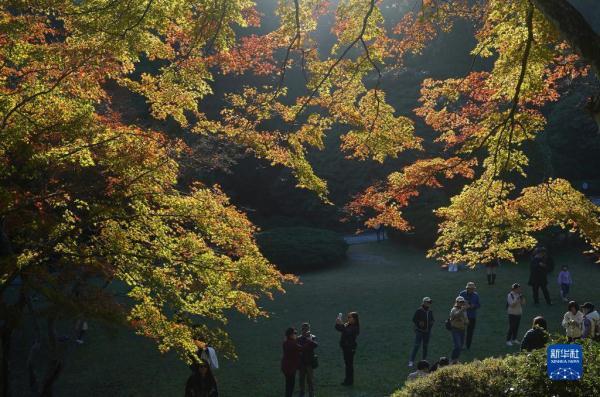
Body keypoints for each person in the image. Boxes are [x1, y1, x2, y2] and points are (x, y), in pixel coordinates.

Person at [335, 311, 360, 386]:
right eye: (348, 317)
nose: (348, 318)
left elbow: (347, 332)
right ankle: (348, 380)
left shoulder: (355, 327)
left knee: (349, 365)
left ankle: (349, 381)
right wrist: (337, 323)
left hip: (350, 348)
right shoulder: (348, 324)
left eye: (349, 317)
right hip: (346, 347)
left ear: (354, 319)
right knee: (348, 365)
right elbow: (339, 328)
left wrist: (341, 324)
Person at [408, 297, 434, 367]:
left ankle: (424, 361)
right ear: (424, 302)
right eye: (427, 302)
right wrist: (419, 322)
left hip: (427, 332)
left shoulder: (430, 311)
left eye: (429, 302)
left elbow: (432, 319)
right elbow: (414, 319)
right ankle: (411, 361)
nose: (429, 304)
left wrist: (431, 323)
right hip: (419, 331)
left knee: (425, 346)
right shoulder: (419, 310)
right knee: (416, 345)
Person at [297, 323, 318, 397]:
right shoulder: (299, 338)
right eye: (304, 329)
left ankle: (311, 394)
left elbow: (315, 345)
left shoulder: (312, 337)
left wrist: (309, 339)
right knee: (301, 380)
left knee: (310, 380)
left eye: (307, 329)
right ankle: (302, 393)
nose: (305, 331)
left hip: (309, 362)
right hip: (302, 362)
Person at [459, 282, 480, 349]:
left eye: (473, 289)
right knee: (461, 331)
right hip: (463, 315)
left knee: (470, 332)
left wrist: (472, 306)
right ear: (467, 288)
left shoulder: (476, 295)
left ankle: (468, 346)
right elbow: (457, 303)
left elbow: (478, 305)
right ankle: (461, 345)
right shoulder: (462, 294)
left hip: (472, 316)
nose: (472, 290)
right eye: (470, 289)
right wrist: (464, 305)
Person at [281, 327, 300, 397]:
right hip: (291, 368)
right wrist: (310, 342)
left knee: (288, 384)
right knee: (291, 385)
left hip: (285, 367)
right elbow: (302, 348)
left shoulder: (285, 342)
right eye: (295, 333)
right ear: (291, 335)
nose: (296, 335)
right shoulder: (293, 343)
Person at [449, 296, 469, 364]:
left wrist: (466, 322)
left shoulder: (464, 310)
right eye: (460, 302)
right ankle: (452, 359)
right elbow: (455, 315)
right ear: (456, 302)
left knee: (460, 346)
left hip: (462, 330)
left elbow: (466, 319)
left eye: (462, 302)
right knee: (457, 345)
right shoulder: (454, 309)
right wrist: (462, 310)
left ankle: (456, 359)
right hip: (455, 329)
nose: (461, 303)